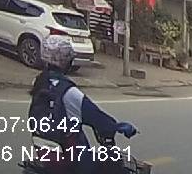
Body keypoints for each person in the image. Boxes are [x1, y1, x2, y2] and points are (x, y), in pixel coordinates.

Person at [29, 35, 137, 174]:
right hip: (71, 158)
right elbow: (97, 118)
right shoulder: (69, 92)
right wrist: (117, 126)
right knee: (111, 163)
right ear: (68, 61)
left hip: (45, 153)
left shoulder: (39, 82)